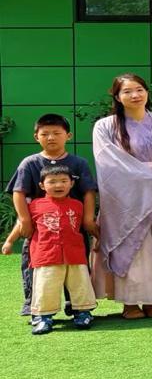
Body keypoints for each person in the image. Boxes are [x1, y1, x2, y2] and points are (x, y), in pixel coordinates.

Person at [91, 74, 152, 318]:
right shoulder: (105, 126)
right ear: (117, 97)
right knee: (133, 246)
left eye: (139, 89)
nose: (135, 95)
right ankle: (130, 303)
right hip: (126, 195)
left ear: (147, 92)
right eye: (127, 91)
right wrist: (147, 180)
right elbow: (108, 161)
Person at [4, 113, 97, 317]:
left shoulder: (78, 163)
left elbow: (89, 192)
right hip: (40, 228)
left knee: (77, 265)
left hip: (73, 226)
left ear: (68, 135)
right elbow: (19, 192)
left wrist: (88, 219)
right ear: (36, 136)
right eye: (45, 134)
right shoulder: (29, 163)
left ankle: (77, 305)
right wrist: (25, 220)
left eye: (57, 133)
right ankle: (35, 307)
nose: (51, 137)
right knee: (35, 264)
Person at [3, 166, 97, 335]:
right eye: (52, 182)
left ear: (71, 184)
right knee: (45, 286)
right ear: (42, 185)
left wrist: (99, 239)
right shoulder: (35, 205)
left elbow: (87, 225)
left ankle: (83, 313)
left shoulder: (78, 205)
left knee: (80, 285)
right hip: (46, 255)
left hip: (75, 254)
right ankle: (43, 317)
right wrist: (9, 241)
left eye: (63, 181)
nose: (58, 185)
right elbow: (21, 224)